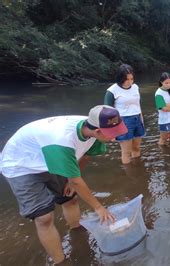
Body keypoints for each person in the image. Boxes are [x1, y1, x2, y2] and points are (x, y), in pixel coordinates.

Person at [0, 105, 127, 264]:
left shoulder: (92, 129)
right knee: (44, 218)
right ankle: (61, 261)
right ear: (97, 131)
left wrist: (69, 181)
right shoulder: (62, 140)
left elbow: (86, 156)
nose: (115, 138)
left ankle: (77, 232)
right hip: (22, 165)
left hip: (52, 157)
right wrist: (99, 207)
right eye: (112, 135)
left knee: (70, 198)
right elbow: (76, 180)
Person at [104, 64, 145, 164]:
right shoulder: (112, 90)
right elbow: (107, 111)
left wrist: (141, 119)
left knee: (136, 148)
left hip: (137, 119)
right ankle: (129, 176)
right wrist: (112, 131)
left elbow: (137, 104)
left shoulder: (135, 87)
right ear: (120, 79)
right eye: (127, 79)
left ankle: (138, 169)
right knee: (126, 152)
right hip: (123, 121)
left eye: (132, 79)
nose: (130, 82)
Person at [155, 72, 170, 145]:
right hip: (164, 119)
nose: (169, 85)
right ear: (161, 82)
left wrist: (168, 105)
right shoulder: (158, 93)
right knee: (163, 139)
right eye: (166, 83)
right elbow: (163, 108)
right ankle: (162, 154)